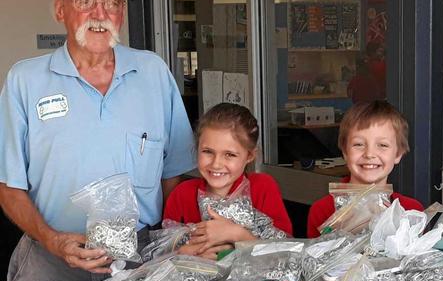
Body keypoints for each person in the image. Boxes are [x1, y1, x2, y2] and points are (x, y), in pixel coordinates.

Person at [0, 0, 195, 281]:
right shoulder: (25, 80)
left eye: (111, 3)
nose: (100, 14)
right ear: (60, 11)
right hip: (51, 259)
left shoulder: (152, 72)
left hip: (140, 259)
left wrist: (165, 245)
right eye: (85, 1)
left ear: (122, 14)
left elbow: (174, 172)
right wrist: (52, 240)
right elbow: (8, 185)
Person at [164, 103, 292, 258]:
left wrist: (236, 234)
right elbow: (162, 251)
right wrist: (187, 254)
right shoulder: (182, 194)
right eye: (207, 152)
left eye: (230, 154)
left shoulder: (262, 187)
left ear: (249, 156)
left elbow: (285, 252)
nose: (216, 164)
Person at [306, 100, 424, 238]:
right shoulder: (323, 210)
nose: (369, 154)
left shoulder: (411, 211)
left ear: (398, 154)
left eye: (382, 145)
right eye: (358, 144)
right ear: (345, 152)